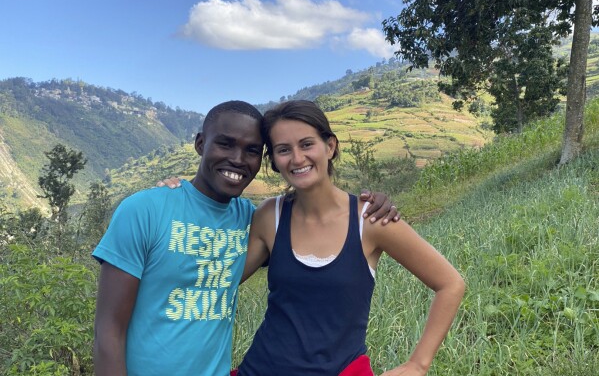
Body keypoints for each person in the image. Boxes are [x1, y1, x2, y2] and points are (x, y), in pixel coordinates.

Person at [92, 100, 398, 376]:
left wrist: (372, 205)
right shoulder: (143, 210)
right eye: (225, 144)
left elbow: (312, 236)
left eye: (252, 150)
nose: (238, 159)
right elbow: (109, 330)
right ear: (200, 144)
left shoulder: (250, 218)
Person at [233, 100, 465, 376]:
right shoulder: (270, 216)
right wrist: (177, 198)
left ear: (329, 147)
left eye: (307, 144)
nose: (296, 158)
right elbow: (219, 282)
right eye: (284, 150)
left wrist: (418, 364)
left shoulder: (371, 220)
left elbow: (450, 284)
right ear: (274, 161)